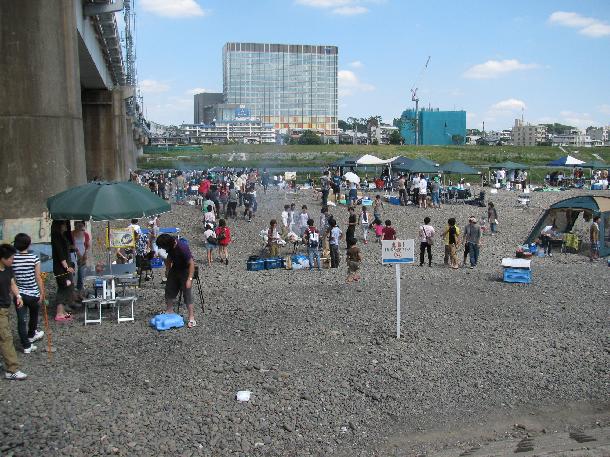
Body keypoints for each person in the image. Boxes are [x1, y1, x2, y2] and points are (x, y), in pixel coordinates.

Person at [12, 234, 45, 353]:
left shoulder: (13, 259)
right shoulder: (34, 258)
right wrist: (42, 293)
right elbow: (38, 277)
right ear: (29, 244)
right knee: (34, 315)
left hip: (19, 294)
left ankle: (26, 346)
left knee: (21, 320)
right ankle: (31, 334)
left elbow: (13, 279)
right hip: (33, 293)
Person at [155, 234, 196, 328]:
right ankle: (169, 310)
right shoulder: (169, 245)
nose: (163, 249)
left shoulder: (182, 247)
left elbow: (191, 263)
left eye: (163, 247)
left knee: (187, 293)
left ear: (168, 245)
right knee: (169, 289)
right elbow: (169, 258)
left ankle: (191, 317)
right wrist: (168, 270)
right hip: (175, 268)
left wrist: (189, 279)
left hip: (186, 269)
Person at [0, 244, 27, 380]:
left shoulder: (8, 268)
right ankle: (12, 369)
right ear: (2, 258)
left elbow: (12, 283)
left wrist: (18, 296)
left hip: (5, 307)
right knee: (6, 338)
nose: (13, 260)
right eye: (11, 258)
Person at [51, 220, 74, 322]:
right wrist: (66, 267)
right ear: (59, 225)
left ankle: (63, 312)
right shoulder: (57, 237)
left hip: (64, 267)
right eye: (64, 224)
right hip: (61, 269)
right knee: (64, 288)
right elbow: (60, 253)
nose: (66, 225)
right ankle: (59, 313)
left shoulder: (62, 236)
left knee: (69, 286)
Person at [71, 220, 91, 298]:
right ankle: (72, 294)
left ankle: (80, 293)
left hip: (82, 256)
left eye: (81, 225)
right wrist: (78, 252)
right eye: (78, 225)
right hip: (73, 256)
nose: (79, 227)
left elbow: (87, 245)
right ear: (75, 225)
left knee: (81, 275)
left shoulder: (85, 235)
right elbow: (71, 246)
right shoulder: (71, 234)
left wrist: (85, 253)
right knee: (72, 275)